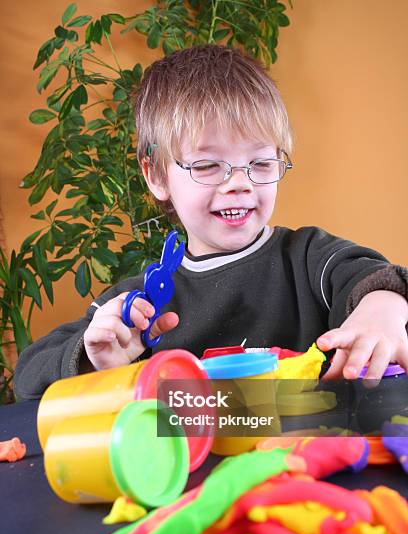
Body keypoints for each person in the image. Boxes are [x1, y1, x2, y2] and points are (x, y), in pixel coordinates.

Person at [14, 45, 408, 401]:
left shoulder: (309, 259)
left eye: (261, 163)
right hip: (184, 476)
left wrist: (382, 310)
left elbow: (377, 278)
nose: (239, 183)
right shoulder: (140, 305)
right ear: (156, 176)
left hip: (307, 461)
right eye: (207, 165)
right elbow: (28, 374)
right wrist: (93, 358)